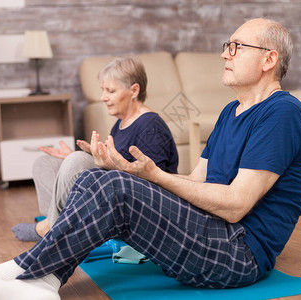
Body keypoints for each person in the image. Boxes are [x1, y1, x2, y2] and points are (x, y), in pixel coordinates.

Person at [0, 18, 301, 300]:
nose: (224, 55)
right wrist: (134, 174)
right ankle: (40, 283)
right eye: (225, 46)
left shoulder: (282, 113)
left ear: (269, 60)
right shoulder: (230, 113)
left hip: (237, 254)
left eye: (236, 47)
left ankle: (14, 272)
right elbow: (198, 183)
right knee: (95, 178)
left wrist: (153, 177)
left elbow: (235, 206)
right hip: (208, 232)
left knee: (113, 186)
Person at [12, 56, 179, 242]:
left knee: (77, 161)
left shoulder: (151, 126)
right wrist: (77, 157)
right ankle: (58, 225)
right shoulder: (120, 125)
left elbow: (154, 182)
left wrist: (87, 161)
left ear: (134, 90)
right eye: (103, 90)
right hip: (113, 191)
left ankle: (52, 228)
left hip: (141, 209)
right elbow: (115, 163)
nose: (103, 97)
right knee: (45, 163)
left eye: (110, 91)